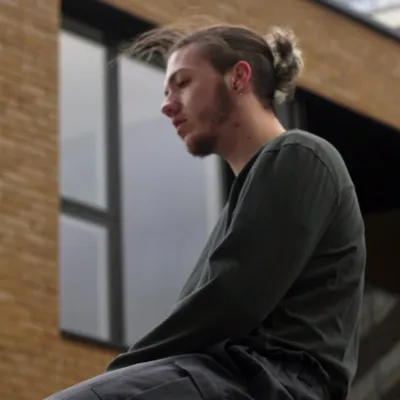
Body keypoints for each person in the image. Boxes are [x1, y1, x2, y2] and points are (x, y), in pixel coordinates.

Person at [47, 21, 366, 400]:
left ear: (239, 77)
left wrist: (120, 377)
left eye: (182, 82)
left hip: (267, 380)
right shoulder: (242, 201)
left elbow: (232, 297)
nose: (166, 105)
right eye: (167, 91)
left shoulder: (300, 154)